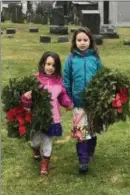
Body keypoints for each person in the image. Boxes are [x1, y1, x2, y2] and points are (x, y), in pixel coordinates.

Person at [22, 51, 73, 176]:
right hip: (37, 117)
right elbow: (26, 100)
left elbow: (62, 96)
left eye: (54, 65)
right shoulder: (35, 79)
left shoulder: (58, 82)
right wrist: (26, 98)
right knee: (35, 140)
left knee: (47, 140)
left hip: (52, 118)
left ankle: (45, 163)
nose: (50, 67)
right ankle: (35, 150)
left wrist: (68, 103)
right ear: (42, 64)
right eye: (48, 64)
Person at [63, 27, 103, 174]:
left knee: (92, 129)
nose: (82, 43)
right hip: (78, 102)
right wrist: (68, 98)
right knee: (81, 132)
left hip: (94, 102)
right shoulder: (71, 59)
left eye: (85, 40)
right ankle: (83, 160)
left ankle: (91, 151)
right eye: (79, 40)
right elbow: (67, 79)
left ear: (90, 41)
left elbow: (102, 77)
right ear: (75, 42)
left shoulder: (95, 59)